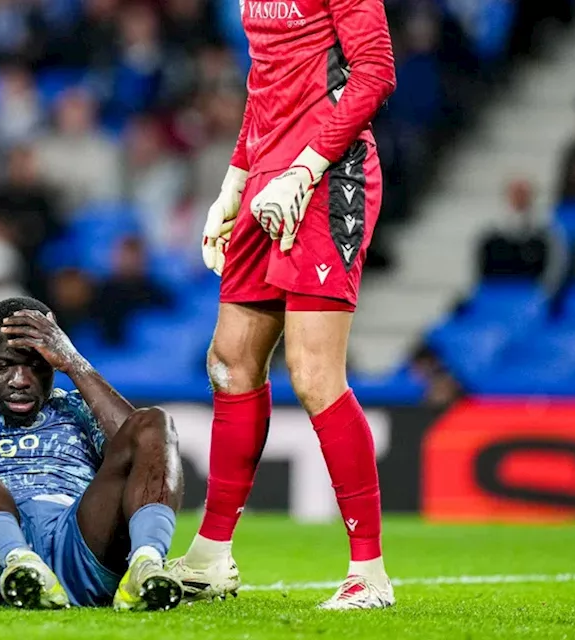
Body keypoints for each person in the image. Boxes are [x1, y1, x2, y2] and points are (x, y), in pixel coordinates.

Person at [191, 0, 398, 609]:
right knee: (229, 362)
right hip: (265, 180)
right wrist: (233, 184)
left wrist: (306, 169)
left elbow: (375, 71)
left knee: (312, 374)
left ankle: (369, 574)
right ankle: (210, 555)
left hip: (329, 175)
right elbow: (266, 86)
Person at [0, 297, 184, 611]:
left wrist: (73, 362)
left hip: (81, 546)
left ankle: (146, 564)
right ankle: (20, 562)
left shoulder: (78, 410)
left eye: (37, 366)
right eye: (3, 365)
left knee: (154, 421)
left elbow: (146, 449)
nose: (20, 381)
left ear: (53, 363)